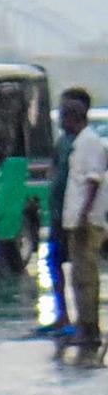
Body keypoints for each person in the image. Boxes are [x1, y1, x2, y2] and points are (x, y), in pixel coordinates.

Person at [46, 88, 92, 342]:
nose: (60, 120)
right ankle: (61, 315)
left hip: (72, 216)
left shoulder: (84, 143)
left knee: (78, 271)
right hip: (56, 215)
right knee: (54, 265)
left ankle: (82, 321)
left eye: (64, 113)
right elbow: (54, 167)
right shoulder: (62, 141)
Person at [66, 99, 108, 366]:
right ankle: (85, 324)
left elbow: (94, 179)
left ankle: (90, 329)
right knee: (79, 278)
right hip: (76, 220)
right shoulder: (78, 142)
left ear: (73, 117)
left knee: (87, 277)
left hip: (86, 222)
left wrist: (84, 214)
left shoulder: (90, 142)